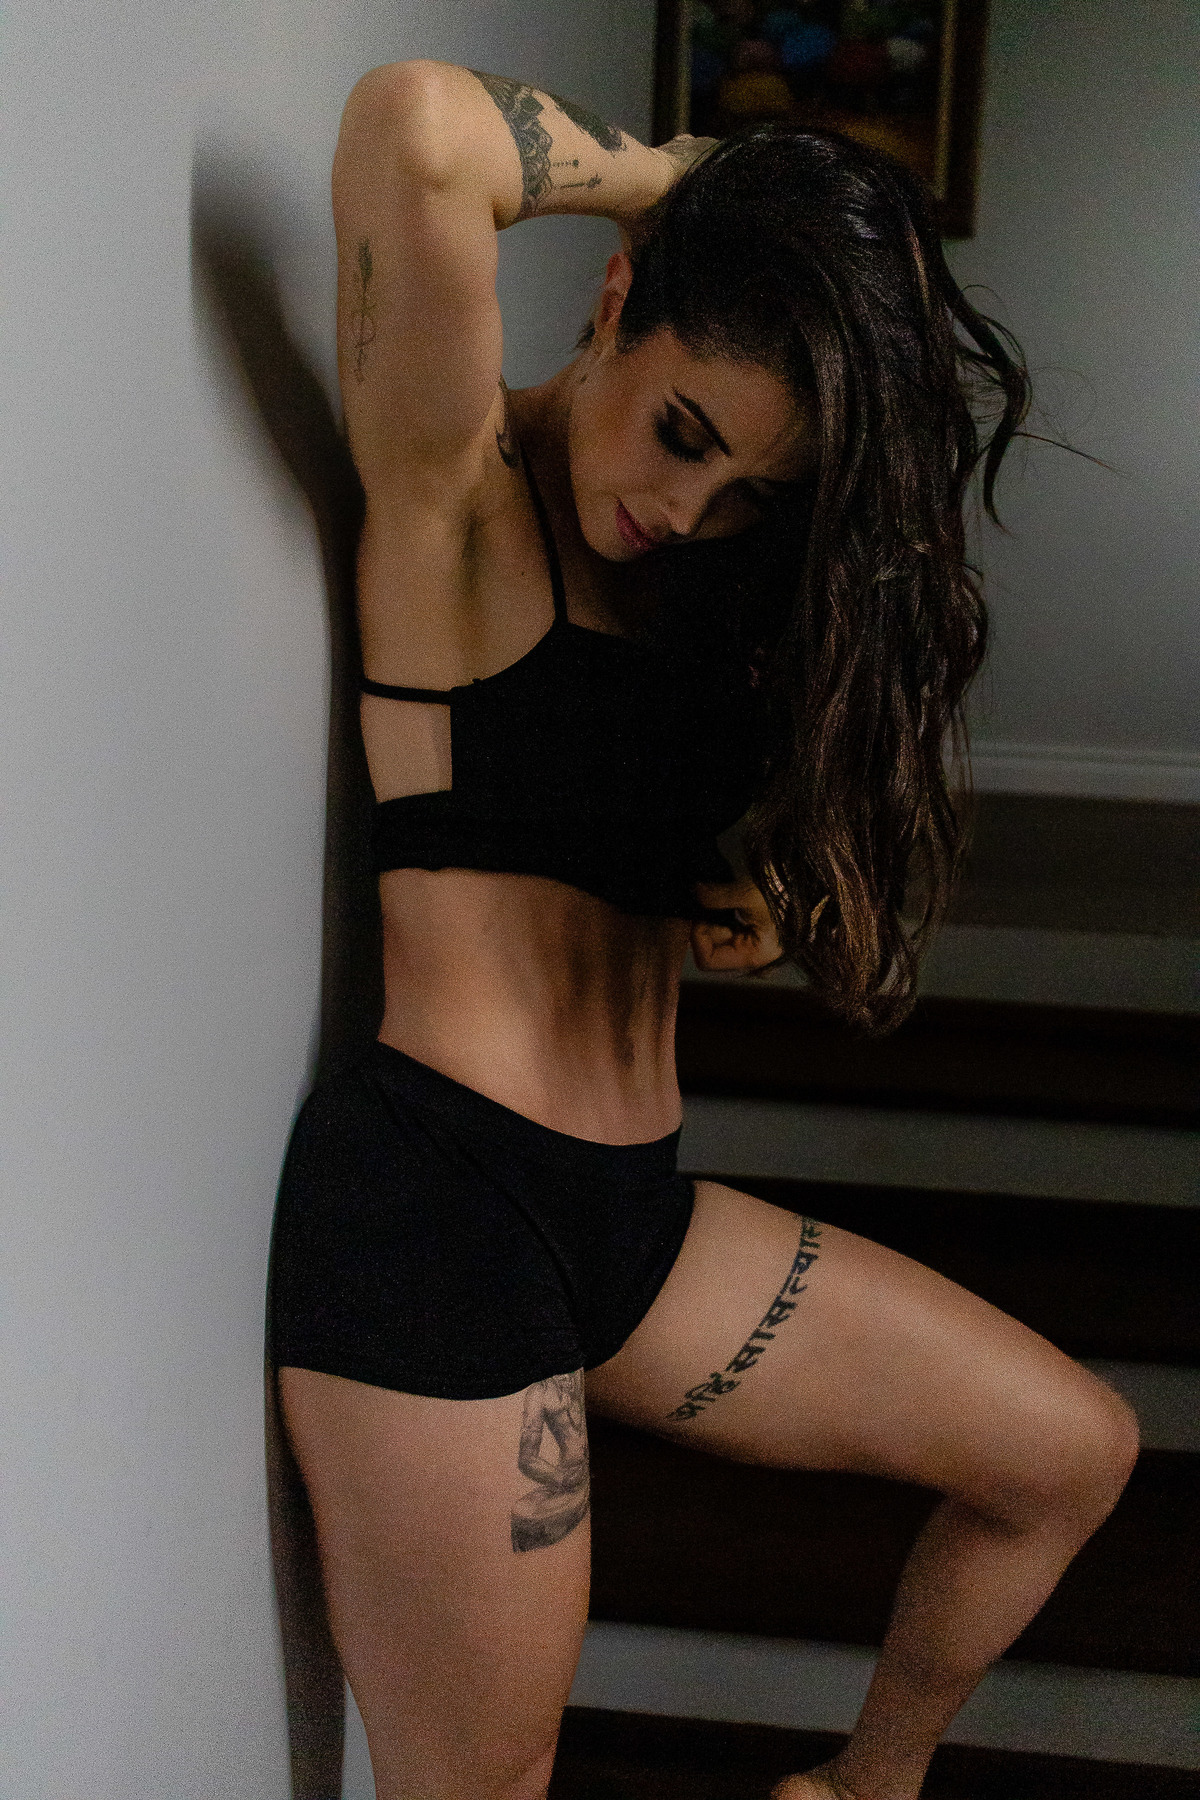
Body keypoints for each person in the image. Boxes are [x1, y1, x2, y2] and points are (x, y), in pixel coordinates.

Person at [269, 60, 1139, 1800]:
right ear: (617, 304)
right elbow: (419, 131)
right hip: (448, 1210)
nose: (685, 509)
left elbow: (619, 843)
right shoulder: (460, 500)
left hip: (636, 1218)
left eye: (751, 490)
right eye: (683, 432)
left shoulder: (685, 584)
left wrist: (738, 903)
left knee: (1067, 1453)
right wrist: (689, 184)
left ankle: (862, 1790)